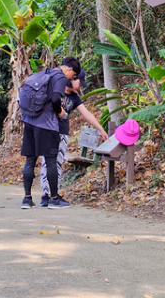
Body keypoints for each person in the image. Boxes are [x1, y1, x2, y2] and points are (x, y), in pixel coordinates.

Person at [38, 71, 108, 207]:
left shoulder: (75, 98)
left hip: (62, 132)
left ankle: (54, 194)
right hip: (47, 130)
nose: (80, 86)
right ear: (73, 78)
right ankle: (45, 195)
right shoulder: (55, 89)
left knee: (57, 163)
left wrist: (100, 129)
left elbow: (86, 113)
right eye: (80, 82)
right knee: (46, 162)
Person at [20, 57, 80, 210]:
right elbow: (55, 99)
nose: (70, 79)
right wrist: (60, 113)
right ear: (68, 69)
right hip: (46, 125)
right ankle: (53, 198)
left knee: (29, 161)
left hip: (29, 122)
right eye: (72, 75)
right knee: (51, 160)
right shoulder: (59, 77)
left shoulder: (45, 73)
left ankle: (27, 199)